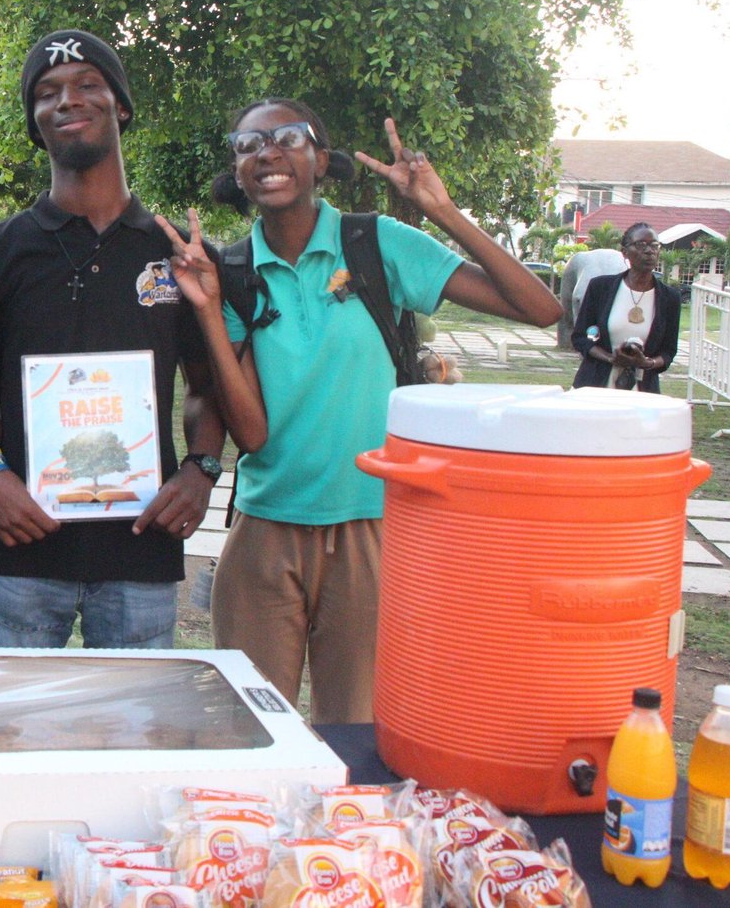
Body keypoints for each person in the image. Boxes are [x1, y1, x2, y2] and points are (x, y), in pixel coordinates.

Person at [156, 99, 561, 722]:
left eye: (288, 137)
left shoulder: (377, 244)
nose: (267, 152)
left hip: (371, 528)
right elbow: (254, 435)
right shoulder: (231, 272)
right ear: (236, 172)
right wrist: (209, 310)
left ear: (321, 160)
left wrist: (442, 210)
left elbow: (541, 309)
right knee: (251, 731)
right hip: (264, 534)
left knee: (356, 732)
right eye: (248, 144)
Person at [0, 29, 226, 649]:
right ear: (34, 120)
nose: (68, 99)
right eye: (47, 92)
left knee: (136, 713)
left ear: (120, 105)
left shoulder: (178, 257)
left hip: (142, 552)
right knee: (21, 713)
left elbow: (206, 390)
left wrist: (202, 469)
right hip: (26, 549)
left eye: (87, 84)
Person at [572, 223, 681, 393]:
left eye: (654, 245)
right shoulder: (600, 288)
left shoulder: (670, 298)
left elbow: (668, 351)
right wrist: (610, 358)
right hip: (595, 387)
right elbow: (581, 338)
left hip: (643, 393)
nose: (649, 251)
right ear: (624, 252)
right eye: (641, 244)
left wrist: (646, 363)